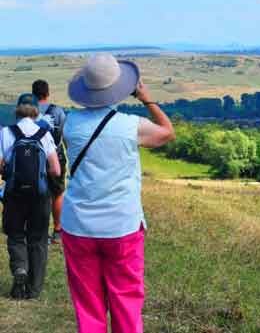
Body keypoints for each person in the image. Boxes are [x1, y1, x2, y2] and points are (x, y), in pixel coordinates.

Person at [61, 53, 175, 333]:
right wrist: (145, 97)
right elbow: (167, 132)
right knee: (126, 298)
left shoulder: (70, 124)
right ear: (120, 87)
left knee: (88, 302)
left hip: (78, 225)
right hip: (121, 225)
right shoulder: (129, 126)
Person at [0, 93, 61, 300]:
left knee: (16, 235)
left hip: (14, 194)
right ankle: (34, 290)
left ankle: (20, 269)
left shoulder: (6, 132)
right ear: (37, 111)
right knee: (38, 239)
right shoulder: (44, 134)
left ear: (17, 109)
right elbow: (56, 169)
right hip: (40, 195)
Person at [32, 79, 67, 244]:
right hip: (57, 156)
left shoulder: (28, 111)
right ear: (48, 93)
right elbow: (64, 135)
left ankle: (40, 231)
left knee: (38, 195)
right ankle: (58, 230)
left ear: (33, 94)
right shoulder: (58, 111)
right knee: (57, 193)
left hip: (34, 157)